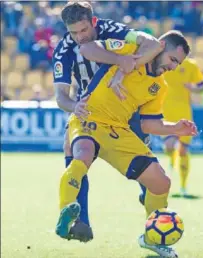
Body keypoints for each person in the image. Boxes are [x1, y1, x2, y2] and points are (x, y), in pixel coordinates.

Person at [55, 31, 197, 257]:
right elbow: (87, 49)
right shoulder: (128, 50)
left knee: (161, 183)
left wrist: (174, 128)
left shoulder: (160, 87)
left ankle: (152, 240)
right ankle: (66, 212)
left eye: (177, 63)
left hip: (118, 130)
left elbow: (150, 125)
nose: (173, 66)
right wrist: (120, 60)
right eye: (172, 59)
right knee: (82, 156)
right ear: (160, 48)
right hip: (88, 117)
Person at [53, 1, 164, 243]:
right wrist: (74, 106)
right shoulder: (64, 49)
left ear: (93, 22)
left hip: (125, 110)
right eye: (73, 32)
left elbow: (152, 44)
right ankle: (79, 220)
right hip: (88, 112)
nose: (79, 37)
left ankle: (154, 218)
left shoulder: (112, 29)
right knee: (73, 152)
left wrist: (125, 66)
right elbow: (61, 96)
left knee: (148, 168)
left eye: (83, 31)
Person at [159, 58, 203, 197]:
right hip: (166, 111)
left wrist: (193, 88)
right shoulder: (163, 62)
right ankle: (172, 161)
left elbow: (202, 86)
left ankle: (183, 187)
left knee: (183, 150)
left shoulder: (191, 65)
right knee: (169, 145)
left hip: (184, 112)